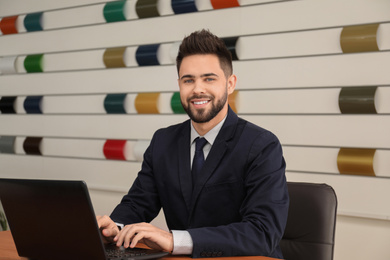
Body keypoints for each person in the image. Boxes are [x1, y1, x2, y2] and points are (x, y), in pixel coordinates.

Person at [97, 29, 289, 259]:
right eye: (188, 80)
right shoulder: (163, 141)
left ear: (230, 84)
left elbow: (262, 232)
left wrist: (173, 240)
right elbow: (138, 204)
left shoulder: (262, 145)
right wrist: (114, 227)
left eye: (209, 78)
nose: (198, 89)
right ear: (179, 84)